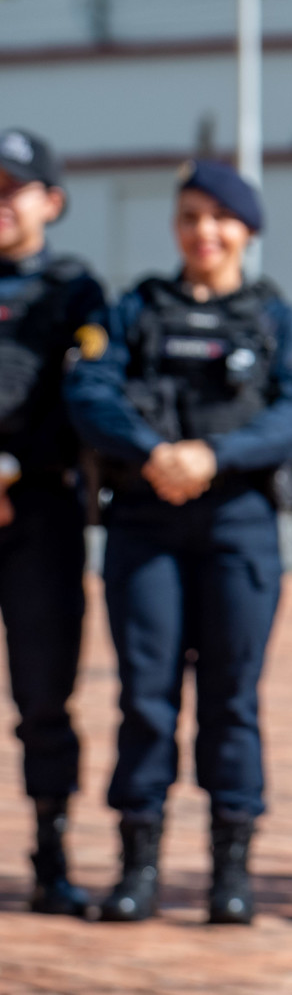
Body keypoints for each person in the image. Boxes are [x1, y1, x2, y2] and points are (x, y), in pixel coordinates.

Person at [64, 161, 292, 923]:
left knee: (231, 700)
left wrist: (215, 455)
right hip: (146, 523)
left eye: (220, 217)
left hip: (237, 524)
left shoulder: (273, 318)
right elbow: (89, 390)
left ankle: (229, 874)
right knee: (146, 699)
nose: (204, 231)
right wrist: (153, 451)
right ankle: (137, 868)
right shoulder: (136, 309)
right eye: (190, 215)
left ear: (247, 229)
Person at [0, 130, 104, 917]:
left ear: (50, 201)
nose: (1, 203)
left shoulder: (76, 291)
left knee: (44, 694)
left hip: (39, 509)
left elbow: (94, 394)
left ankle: (50, 857)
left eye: (14, 188)